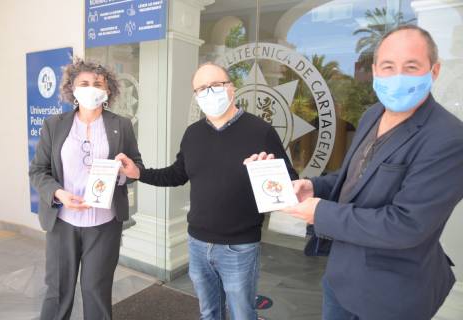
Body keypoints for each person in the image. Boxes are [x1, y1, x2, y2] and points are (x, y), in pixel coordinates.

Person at [249, 25, 463, 320]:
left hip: (392, 295)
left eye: (411, 67)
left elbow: (406, 225)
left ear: (434, 71)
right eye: (388, 66)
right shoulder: (373, 114)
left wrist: (319, 212)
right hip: (340, 277)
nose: (397, 75)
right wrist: (314, 187)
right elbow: (353, 175)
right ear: (375, 70)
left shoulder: (449, 138)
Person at [116, 62, 298, 320]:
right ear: (196, 96)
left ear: (231, 89)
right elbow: (176, 174)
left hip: (239, 246)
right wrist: (140, 173)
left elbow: (290, 182)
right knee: (209, 313)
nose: (209, 92)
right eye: (201, 88)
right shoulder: (193, 134)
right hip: (198, 243)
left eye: (215, 85)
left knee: (242, 314)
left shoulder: (260, 131)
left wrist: (269, 175)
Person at [29, 58, 143, 320]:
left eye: (97, 83)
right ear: (73, 88)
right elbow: (38, 171)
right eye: (84, 83)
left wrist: (126, 173)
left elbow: (135, 166)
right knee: (58, 292)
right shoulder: (54, 124)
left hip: (104, 224)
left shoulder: (121, 125)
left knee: (97, 291)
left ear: (107, 90)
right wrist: (58, 193)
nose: (91, 88)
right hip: (62, 224)